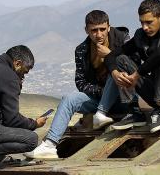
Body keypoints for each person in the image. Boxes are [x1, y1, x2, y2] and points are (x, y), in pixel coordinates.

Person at [25, 10, 130, 160]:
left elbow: (132, 66)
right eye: (94, 30)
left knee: (117, 67)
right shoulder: (82, 50)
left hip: (124, 97)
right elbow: (81, 83)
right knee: (69, 98)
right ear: (86, 30)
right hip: (99, 97)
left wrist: (109, 56)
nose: (98, 34)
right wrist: (103, 92)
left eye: (102, 29)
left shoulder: (123, 39)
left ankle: (101, 113)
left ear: (109, 27)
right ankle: (49, 144)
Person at [92, 0, 160, 133]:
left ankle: (159, 112)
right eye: (142, 22)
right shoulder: (141, 36)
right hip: (153, 91)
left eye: (149, 22)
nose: (145, 27)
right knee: (121, 59)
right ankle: (134, 112)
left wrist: (137, 74)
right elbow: (112, 55)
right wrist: (115, 74)